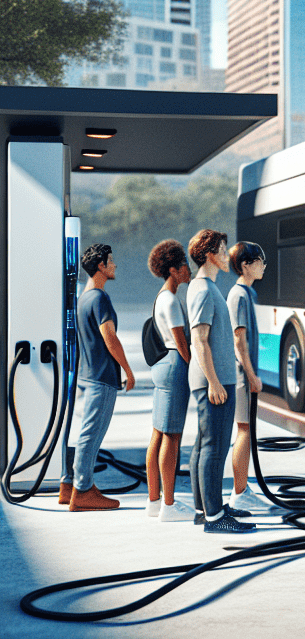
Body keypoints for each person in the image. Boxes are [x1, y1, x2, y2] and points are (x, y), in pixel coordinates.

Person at [185, 229, 255, 534]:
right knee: (214, 448)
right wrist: (213, 382)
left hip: (216, 379)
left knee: (205, 446)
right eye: (223, 251)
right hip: (214, 381)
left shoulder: (207, 287)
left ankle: (205, 510)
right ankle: (214, 518)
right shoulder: (202, 289)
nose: (228, 256)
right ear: (209, 254)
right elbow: (199, 340)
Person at [59, 243, 135, 511]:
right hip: (102, 377)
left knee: (85, 433)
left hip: (89, 375)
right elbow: (109, 337)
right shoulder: (100, 298)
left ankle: (68, 485)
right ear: (101, 266)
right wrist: (127, 370)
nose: (114, 265)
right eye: (110, 261)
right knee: (91, 436)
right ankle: (82, 491)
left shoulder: (84, 297)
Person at [144, 240, 194, 522]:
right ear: (173, 270)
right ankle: (170, 505)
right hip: (175, 365)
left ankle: (154, 501)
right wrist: (196, 368)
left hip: (161, 365)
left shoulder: (160, 297)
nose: (188, 268)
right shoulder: (172, 300)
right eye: (184, 264)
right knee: (172, 437)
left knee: (158, 433)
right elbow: (181, 343)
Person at [225, 241, 273, 514]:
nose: (264, 266)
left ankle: (242, 489)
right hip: (241, 374)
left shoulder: (246, 293)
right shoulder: (239, 296)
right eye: (260, 261)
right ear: (246, 265)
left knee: (246, 429)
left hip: (245, 373)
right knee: (243, 429)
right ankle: (239, 493)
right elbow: (238, 341)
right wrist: (252, 376)